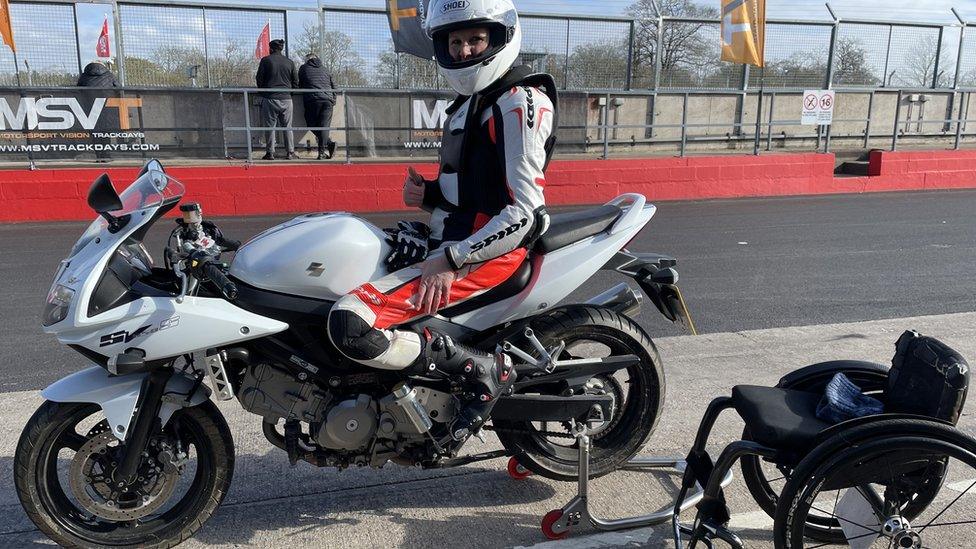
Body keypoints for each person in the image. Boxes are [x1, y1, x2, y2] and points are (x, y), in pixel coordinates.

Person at [327, 0, 557, 442]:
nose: (466, 50)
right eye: (456, 41)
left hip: (489, 252)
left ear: (500, 38)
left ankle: (488, 373)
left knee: (351, 323)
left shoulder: (519, 102)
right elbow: (472, 191)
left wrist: (451, 259)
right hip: (457, 242)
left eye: (476, 39)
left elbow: (524, 213)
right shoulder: (470, 104)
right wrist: (428, 195)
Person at [256, 39, 299, 160]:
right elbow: (295, 81)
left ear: (271, 48)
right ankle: (290, 152)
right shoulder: (289, 62)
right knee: (287, 127)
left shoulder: (266, 60)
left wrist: (263, 92)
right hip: (286, 98)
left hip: (270, 98)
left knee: (270, 127)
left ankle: (270, 153)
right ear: (281, 49)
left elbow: (259, 79)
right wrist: (290, 94)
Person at [77, 60, 119, 162]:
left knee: (95, 133)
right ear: (103, 66)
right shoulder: (109, 75)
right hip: (107, 109)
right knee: (105, 132)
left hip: (89, 108)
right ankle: (106, 156)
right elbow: (118, 88)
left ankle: (99, 156)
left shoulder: (84, 76)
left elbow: (78, 90)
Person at [298, 53, 338, 160]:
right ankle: (327, 146)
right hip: (328, 101)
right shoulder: (325, 69)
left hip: (312, 100)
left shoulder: (303, 68)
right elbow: (334, 86)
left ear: (307, 60)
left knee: (311, 124)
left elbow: (300, 85)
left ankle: (325, 149)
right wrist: (333, 99)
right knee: (324, 127)